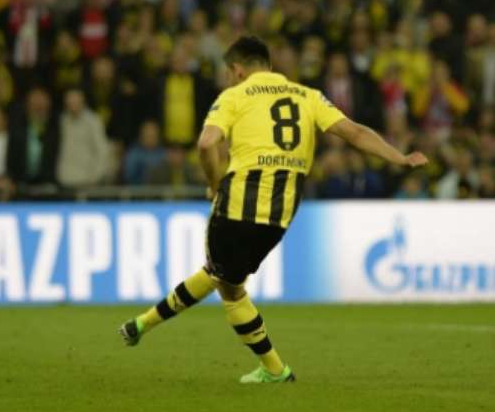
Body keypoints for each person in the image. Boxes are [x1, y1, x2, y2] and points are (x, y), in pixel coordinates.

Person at [118, 36, 428, 383]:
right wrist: (399, 157)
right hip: (281, 214)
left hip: (238, 204)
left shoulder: (234, 96)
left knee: (225, 283)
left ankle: (270, 368)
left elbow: (207, 143)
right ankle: (144, 325)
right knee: (225, 278)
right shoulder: (307, 95)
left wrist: (214, 181)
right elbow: (353, 133)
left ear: (237, 70)